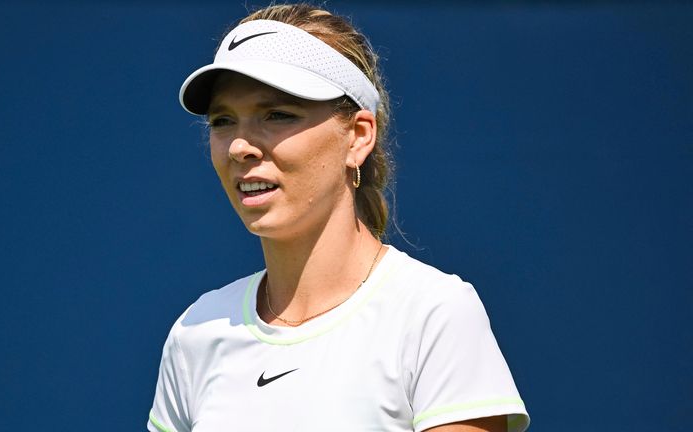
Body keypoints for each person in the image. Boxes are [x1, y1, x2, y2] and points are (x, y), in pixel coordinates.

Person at [147, 4, 529, 431]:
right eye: (223, 121)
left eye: (277, 115)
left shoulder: (433, 313)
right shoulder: (195, 333)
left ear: (358, 137)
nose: (239, 147)